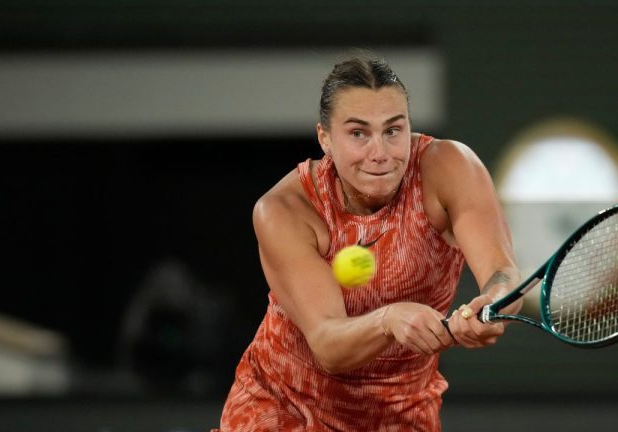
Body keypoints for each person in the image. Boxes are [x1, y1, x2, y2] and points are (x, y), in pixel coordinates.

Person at [216, 52, 522, 431]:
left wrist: (490, 306)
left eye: (393, 131)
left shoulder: (450, 169)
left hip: (401, 414)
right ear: (324, 138)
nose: (380, 154)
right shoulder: (284, 209)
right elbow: (328, 344)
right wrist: (388, 320)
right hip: (282, 407)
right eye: (358, 133)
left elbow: (502, 273)